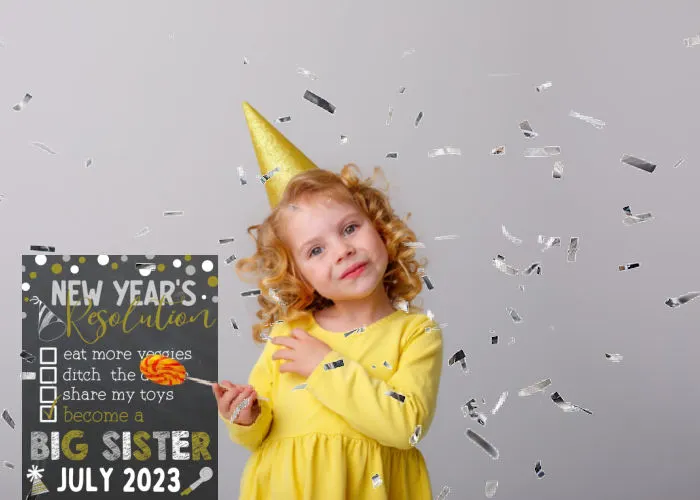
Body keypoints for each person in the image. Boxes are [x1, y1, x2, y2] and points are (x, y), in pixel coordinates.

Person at [211, 102, 444, 499]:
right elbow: (256, 435)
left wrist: (324, 365)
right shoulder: (290, 335)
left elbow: (407, 427)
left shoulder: (416, 334)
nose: (342, 250)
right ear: (296, 273)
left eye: (350, 228)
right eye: (315, 250)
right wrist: (244, 415)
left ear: (381, 228)